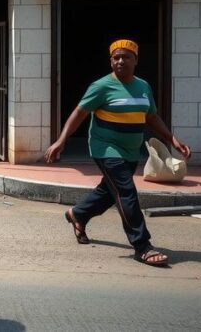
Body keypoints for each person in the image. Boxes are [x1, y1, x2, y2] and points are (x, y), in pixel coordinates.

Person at [45, 39, 191, 267]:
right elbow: (80, 113)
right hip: (105, 148)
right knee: (126, 192)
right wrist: (61, 140)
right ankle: (142, 246)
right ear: (111, 61)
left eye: (126, 57)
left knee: (107, 192)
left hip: (130, 150)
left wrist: (172, 139)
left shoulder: (143, 87)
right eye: (116, 57)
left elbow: (151, 116)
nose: (121, 61)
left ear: (136, 60)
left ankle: (78, 215)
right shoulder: (101, 86)